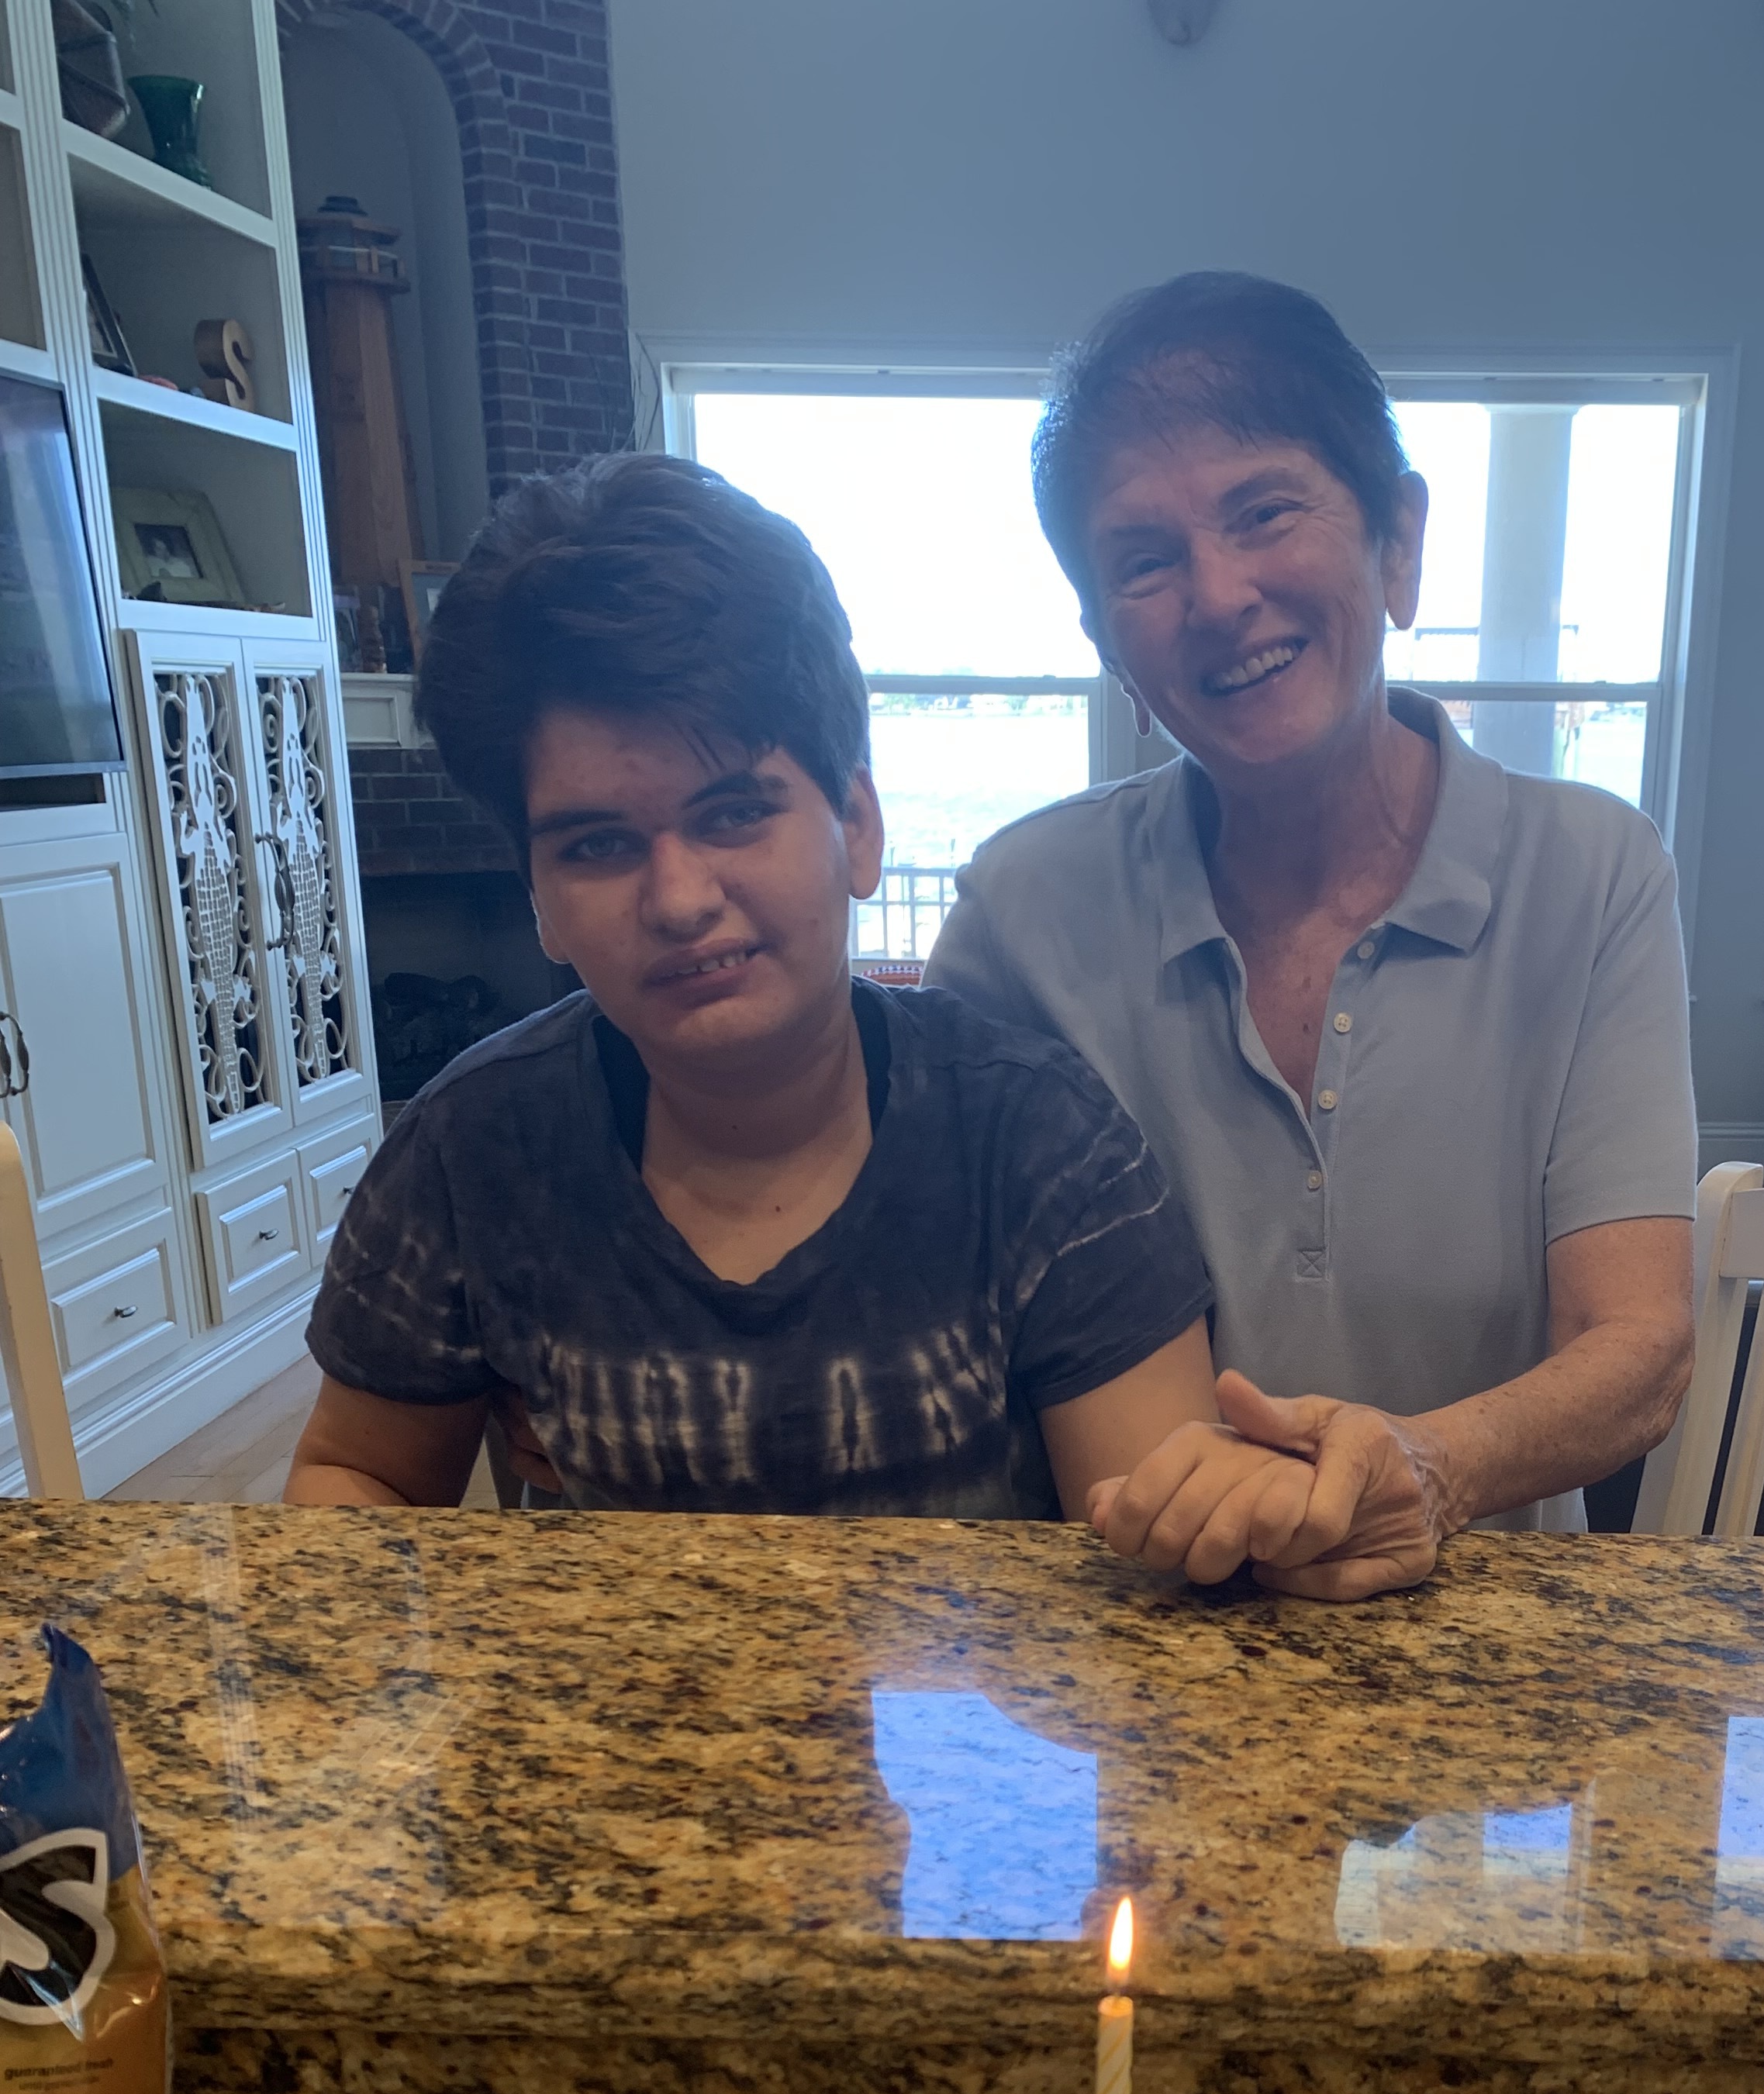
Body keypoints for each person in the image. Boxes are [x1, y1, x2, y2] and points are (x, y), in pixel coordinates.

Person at [924, 273, 1698, 1599]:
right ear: (1106, 639)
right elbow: (914, 1289)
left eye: (1264, 511)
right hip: (1131, 1641)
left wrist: (1422, 1467)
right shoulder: (1022, 910)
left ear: (1397, 542)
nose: (1218, 596)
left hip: (1479, 1664)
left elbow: (1637, 1346)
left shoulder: (1594, 872)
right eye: (1144, 560)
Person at [284, 454, 1218, 1517]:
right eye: (597, 845)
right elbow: (358, 1473)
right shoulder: (473, 1151)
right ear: (538, 895)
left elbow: (1155, 1550)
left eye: (735, 813)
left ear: (857, 828)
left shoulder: (1043, 1143)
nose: (679, 900)